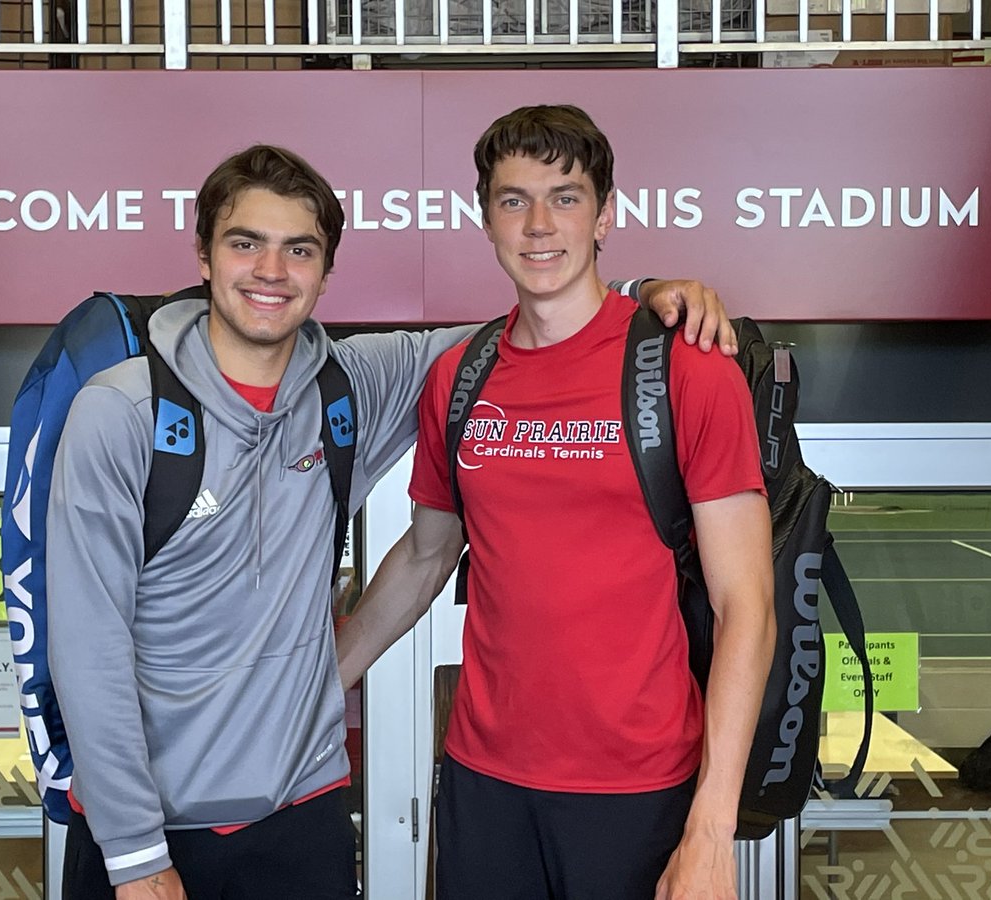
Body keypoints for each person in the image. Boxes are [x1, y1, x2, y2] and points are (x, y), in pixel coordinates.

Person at [46, 143, 735, 899]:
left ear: (324, 272)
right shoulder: (120, 413)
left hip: (302, 813)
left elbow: (544, 320)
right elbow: (87, 648)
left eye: (298, 250)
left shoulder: (354, 382)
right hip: (151, 831)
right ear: (204, 256)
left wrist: (643, 290)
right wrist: (135, 855)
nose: (272, 272)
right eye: (246, 244)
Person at [336, 105, 775, 900]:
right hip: (483, 782)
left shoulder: (687, 371)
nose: (539, 225)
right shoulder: (459, 377)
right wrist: (328, 674)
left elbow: (748, 606)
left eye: (565, 197)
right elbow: (428, 554)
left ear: (606, 214)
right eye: (513, 200)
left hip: (641, 790)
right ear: (486, 218)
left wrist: (712, 826)